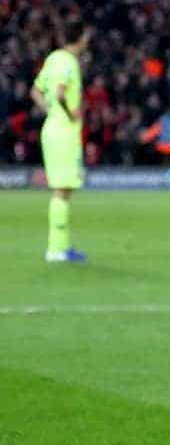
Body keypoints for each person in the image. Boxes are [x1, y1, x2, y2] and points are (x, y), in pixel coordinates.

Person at [31, 20, 90, 263]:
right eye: (86, 37)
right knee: (63, 190)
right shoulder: (68, 62)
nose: (88, 42)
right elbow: (60, 93)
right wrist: (67, 113)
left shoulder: (53, 58)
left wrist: (51, 111)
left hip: (51, 129)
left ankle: (59, 247)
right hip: (64, 132)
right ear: (79, 38)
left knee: (63, 189)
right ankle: (57, 249)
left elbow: (35, 91)